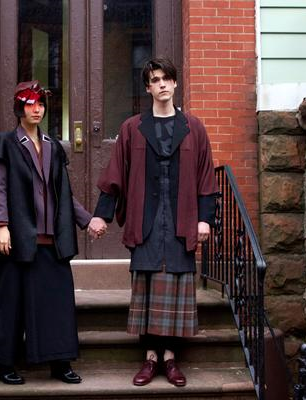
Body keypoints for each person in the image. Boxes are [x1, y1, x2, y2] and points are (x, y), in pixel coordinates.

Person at [88, 58, 217, 387]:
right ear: (147, 88)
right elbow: (115, 175)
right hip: (145, 222)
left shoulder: (194, 127)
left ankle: (171, 360)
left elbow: (205, 176)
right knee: (146, 292)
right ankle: (149, 359)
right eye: (154, 80)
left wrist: (205, 219)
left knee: (175, 290)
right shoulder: (133, 128)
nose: (161, 84)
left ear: (174, 84)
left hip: (181, 221)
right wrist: (102, 214)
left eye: (166, 79)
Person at [0, 80, 97, 385]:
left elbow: (63, 192)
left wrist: (87, 220)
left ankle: (60, 364)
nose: (37, 109)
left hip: (53, 242)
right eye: (30, 103)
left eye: (41, 104)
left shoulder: (53, 146)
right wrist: (2, 226)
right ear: (19, 109)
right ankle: (2, 365)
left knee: (57, 305)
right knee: (10, 305)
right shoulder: (6, 143)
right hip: (18, 239)